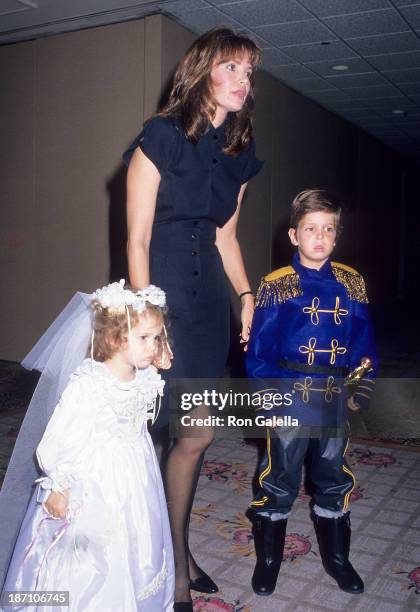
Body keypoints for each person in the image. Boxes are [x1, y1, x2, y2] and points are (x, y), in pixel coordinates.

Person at [123, 27, 263, 609]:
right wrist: (148, 323)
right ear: (203, 70)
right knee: (170, 433)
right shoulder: (160, 137)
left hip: (209, 307)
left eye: (249, 74)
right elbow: (136, 240)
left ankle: (174, 544)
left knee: (194, 437)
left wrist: (248, 294)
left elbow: (227, 238)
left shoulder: (238, 153)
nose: (243, 82)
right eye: (232, 68)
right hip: (161, 299)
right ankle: (172, 560)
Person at [1, 281, 174, 611]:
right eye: (143, 338)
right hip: (95, 478)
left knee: (139, 540)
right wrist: (59, 486)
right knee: (91, 555)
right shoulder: (89, 385)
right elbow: (57, 439)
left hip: (136, 472)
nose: (153, 346)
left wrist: (158, 359)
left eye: (157, 337)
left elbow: (148, 386)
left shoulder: (146, 374)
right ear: (113, 339)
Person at [246, 189, 377, 597]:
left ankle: (337, 559)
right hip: (288, 393)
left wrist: (358, 390)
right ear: (293, 235)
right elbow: (260, 350)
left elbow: (363, 342)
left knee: (333, 473)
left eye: (328, 230)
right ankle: (269, 561)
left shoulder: (352, 282)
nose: (319, 237)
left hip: (333, 396)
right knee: (279, 475)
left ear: (336, 236)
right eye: (310, 229)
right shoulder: (277, 285)